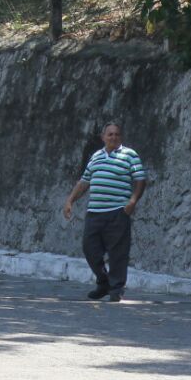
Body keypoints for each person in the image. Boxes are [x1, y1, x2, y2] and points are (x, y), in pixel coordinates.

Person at [63, 122, 148, 301]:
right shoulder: (96, 157)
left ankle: (116, 289)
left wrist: (132, 201)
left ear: (121, 137)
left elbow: (140, 179)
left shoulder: (130, 155)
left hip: (118, 211)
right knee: (90, 249)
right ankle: (104, 282)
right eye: (110, 134)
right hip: (95, 212)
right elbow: (84, 182)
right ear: (103, 137)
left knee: (118, 253)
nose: (113, 137)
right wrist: (70, 200)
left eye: (117, 134)